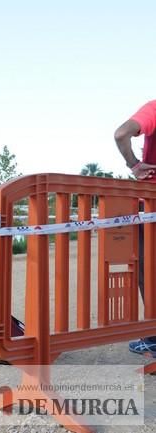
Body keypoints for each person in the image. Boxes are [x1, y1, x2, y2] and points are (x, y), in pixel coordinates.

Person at [113, 100, 156, 355]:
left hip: (152, 207)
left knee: (148, 272)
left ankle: (153, 338)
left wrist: (134, 164)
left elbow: (121, 134)